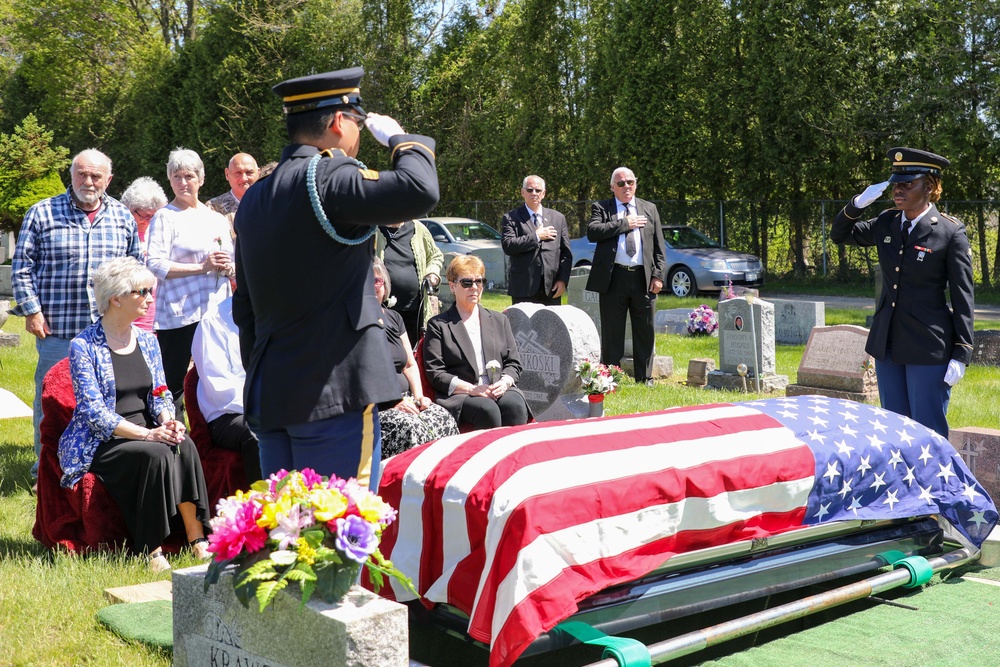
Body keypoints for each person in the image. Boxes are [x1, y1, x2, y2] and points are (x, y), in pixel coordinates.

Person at [233, 66, 439, 490]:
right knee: (341, 536)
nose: (360, 134)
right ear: (337, 122)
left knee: (289, 536)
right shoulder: (329, 177)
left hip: (273, 390)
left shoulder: (255, 196)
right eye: (358, 124)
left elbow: (246, 306)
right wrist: (401, 139)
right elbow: (420, 189)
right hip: (332, 390)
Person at [58, 257, 211, 572]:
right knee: (154, 454)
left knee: (185, 446)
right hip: (104, 441)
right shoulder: (83, 346)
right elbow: (94, 414)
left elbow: (160, 392)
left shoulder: (148, 340)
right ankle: (151, 550)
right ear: (116, 298)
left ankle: (197, 541)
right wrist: (149, 434)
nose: (151, 299)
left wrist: (168, 419)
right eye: (142, 292)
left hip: (147, 431)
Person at [9, 149, 142, 484]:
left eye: (96, 176)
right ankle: (46, 473)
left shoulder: (122, 217)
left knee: (106, 402)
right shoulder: (42, 213)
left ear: (109, 179)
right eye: (82, 174)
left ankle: (97, 470)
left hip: (106, 334)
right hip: (58, 331)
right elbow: (22, 267)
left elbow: (134, 271)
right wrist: (32, 310)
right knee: (52, 402)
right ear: (71, 175)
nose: (88, 181)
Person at [831, 147, 974, 437]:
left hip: (928, 344)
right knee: (892, 428)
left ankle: (933, 484)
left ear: (930, 186)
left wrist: (962, 352)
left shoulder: (949, 232)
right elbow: (840, 235)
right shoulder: (887, 222)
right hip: (888, 341)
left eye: (908, 183)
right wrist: (857, 203)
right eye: (896, 183)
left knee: (926, 430)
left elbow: (963, 295)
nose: (899, 190)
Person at [146, 148, 234, 415]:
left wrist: (229, 266)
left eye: (189, 176)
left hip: (215, 311)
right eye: (176, 177)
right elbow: (156, 263)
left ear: (201, 179)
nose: (184, 182)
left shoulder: (216, 219)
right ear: (169, 180)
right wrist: (201, 267)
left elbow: (230, 259)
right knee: (172, 385)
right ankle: (172, 442)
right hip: (178, 313)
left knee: (215, 380)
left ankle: (212, 442)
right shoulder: (165, 216)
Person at [423, 255, 530, 430]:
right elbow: (436, 374)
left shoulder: (499, 320)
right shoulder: (439, 325)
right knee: (487, 409)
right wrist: (472, 389)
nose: (474, 287)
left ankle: (514, 456)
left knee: (515, 405)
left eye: (479, 282)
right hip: (462, 394)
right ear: (452, 286)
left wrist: (504, 382)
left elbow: (513, 362)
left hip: (497, 387)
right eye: (467, 283)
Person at [586, 167, 665, 386]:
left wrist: (657, 276)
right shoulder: (602, 208)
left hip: (643, 278)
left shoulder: (649, 209)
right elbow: (593, 232)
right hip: (614, 278)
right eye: (621, 184)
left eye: (630, 182)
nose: (626, 187)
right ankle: (610, 378)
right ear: (612, 187)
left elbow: (659, 246)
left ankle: (645, 377)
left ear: (635, 184)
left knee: (645, 330)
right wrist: (625, 224)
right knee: (613, 332)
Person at [372, 258, 458, 457]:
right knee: (410, 426)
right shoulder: (355, 322)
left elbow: (410, 364)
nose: (373, 286)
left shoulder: (394, 318)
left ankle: (441, 477)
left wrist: (419, 397)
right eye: (366, 281)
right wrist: (392, 404)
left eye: (377, 281)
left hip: (405, 399)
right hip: (375, 408)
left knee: (441, 416)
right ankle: (407, 481)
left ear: (385, 285)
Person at [190, 295, 262, 481]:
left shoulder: (280, 313)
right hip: (229, 414)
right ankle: (265, 505)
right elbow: (221, 390)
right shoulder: (214, 321)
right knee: (259, 433)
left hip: (273, 408)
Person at [501, 175, 573, 305]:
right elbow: (508, 245)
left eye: (538, 190)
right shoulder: (511, 217)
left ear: (544, 193)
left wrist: (563, 281)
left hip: (551, 288)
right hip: (523, 287)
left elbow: (566, 254)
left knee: (551, 325)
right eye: (530, 190)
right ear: (523, 192)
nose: (534, 193)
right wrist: (537, 236)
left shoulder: (558, 218)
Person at [375, 219, 444, 345]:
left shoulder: (418, 229)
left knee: (412, 354)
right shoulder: (372, 229)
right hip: (382, 309)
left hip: (414, 310)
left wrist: (432, 273)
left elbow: (435, 256)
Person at [120, 177, 169, 332]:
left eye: (153, 215)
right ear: (129, 208)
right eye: (143, 215)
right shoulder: (121, 232)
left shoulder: (160, 233)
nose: (148, 220)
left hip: (157, 308)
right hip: (128, 307)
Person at [207, 153, 259, 236]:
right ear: (227, 174)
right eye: (238, 173)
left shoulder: (269, 204)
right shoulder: (214, 208)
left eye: (249, 172)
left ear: (258, 173)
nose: (244, 178)